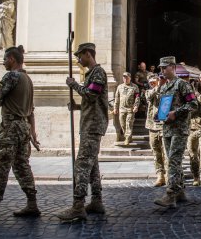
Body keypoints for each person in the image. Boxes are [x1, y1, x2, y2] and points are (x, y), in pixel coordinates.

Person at [0, 47, 40, 223]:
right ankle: (32, 203)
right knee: (22, 165)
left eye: (4, 59)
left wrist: (0, 90)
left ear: (11, 59)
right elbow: (31, 111)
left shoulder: (11, 77)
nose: (3, 62)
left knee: (0, 167)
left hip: (10, 128)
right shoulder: (28, 79)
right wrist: (33, 133)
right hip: (23, 127)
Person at [56, 43, 109, 221]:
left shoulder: (98, 73)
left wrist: (74, 85)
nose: (78, 60)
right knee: (92, 165)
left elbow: (92, 95)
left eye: (80, 56)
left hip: (93, 126)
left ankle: (78, 205)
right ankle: (96, 200)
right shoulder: (91, 74)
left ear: (88, 54)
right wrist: (78, 106)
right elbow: (91, 101)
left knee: (81, 164)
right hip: (89, 123)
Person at [154, 56, 197, 208]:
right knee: (171, 161)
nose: (162, 70)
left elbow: (193, 104)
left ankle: (170, 194)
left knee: (173, 160)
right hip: (167, 129)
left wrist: (176, 113)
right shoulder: (165, 86)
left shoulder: (182, 84)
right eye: (160, 68)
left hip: (179, 129)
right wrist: (159, 115)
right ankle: (180, 192)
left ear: (172, 67)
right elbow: (163, 107)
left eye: (164, 67)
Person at [145, 74, 167, 187]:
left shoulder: (165, 90)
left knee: (166, 152)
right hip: (152, 126)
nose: (152, 84)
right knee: (156, 152)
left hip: (164, 126)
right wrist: (156, 87)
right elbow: (149, 97)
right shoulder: (149, 91)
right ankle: (160, 175)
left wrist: (160, 85)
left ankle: (168, 175)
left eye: (154, 81)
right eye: (151, 82)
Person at [113, 72, 140, 145]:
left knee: (128, 123)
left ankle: (127, 138)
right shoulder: (119, 87)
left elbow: (137, 98)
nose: (125, 79)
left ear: (130, 78)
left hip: (130, 109)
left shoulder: (135, 87)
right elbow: (116, 98)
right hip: (121, 109)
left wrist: (136, 106)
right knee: (122, 124)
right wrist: (115, 108)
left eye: (127, 77)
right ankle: (128, 136)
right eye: (124, 77)